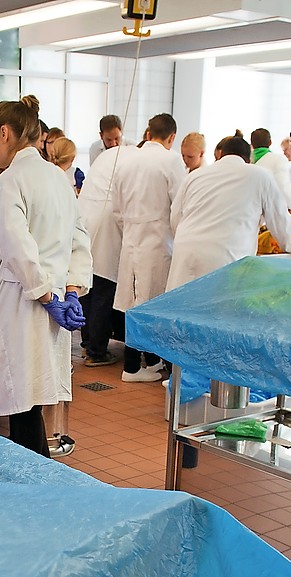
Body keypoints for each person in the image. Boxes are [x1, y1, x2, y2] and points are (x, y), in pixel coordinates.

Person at [0, 98, 91, 457]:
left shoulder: (8, 183)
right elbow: (78, 238)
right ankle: (38, 476)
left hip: (25, 302)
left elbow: (17, 249)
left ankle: (34, 483)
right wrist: (70, 291)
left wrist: (47, 297)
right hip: (52, 298)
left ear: (5, 132)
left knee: (21, 402)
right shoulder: (59, 179)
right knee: (35, 400)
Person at [168, 131, 291, 292]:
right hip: (225, 254)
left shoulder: (195, 176)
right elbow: (280, 220)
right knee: (217, 310)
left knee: (181, 308)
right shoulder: (260, 175)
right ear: (249, 158)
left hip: (186, 250)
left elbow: (175, 215)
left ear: (221, 154)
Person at [111, 112, 185, 382]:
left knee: (134, 302)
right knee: (154, 304)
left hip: (131, 237)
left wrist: (131, 227)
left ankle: (147, 361)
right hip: (158, 238)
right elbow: (179, 206)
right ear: (171, 137)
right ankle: (132, 366)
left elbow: (116, 209)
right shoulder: (171, 160)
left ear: (148, 132)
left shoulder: (127, 161)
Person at [77, 139, 132, 368]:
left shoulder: (110, 156)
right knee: (104, 288)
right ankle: (97, 351)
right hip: (107, 220)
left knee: (87, 286)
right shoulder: (133, 160)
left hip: (85, 215)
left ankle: (88, 342)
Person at [251, 127, 291, 219]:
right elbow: (285, 189)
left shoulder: (246, 161)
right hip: (266, 216)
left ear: (252, 144)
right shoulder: (277, 160)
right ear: (270, 142)